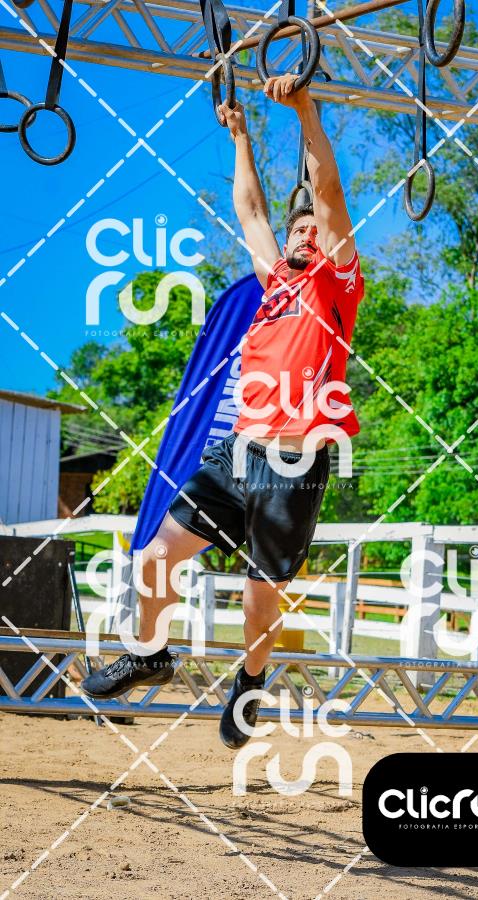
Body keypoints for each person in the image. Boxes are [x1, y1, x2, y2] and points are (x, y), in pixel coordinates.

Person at [82, 73, 364, 749]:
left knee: (257, 597)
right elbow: (250, 210)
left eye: (313, 231)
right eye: (297, 231)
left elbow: (327, 192)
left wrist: (304, 110)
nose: (304, 235)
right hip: (235, 454)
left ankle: (250, 681)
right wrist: (239, 135)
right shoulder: (273, 284)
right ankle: (150, 652)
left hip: (293, 463)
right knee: (154, 557)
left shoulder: (337, 287)